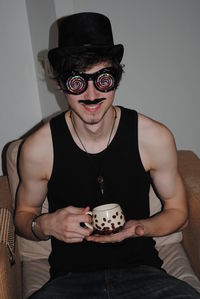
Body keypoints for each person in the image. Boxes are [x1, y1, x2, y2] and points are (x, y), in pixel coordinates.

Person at [14, 12, 200, 298]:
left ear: (117, 78)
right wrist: (45, 224)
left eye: (102, 79)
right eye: (77, 81)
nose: (91, 94)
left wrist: (138, 228)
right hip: (69, 282)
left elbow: (178, 210)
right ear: (61, 84)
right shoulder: (38, 149)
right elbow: (23, 217)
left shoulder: (153, 137)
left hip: (144, 275)